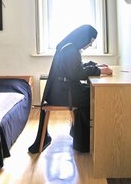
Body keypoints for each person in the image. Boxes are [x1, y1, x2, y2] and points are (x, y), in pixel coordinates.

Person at [28, 24, 112, 154]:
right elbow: (77, 73)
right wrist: (99, 70)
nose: (89, 45)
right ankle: (84, 141)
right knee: (95, 95)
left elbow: (76, 68)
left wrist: (96, 66)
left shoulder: (70, 47)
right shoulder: (70, 50)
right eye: (90, 42)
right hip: (62, 93)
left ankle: (81, 138)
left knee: (90, 91)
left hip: (61, 90)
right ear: (84, 38)